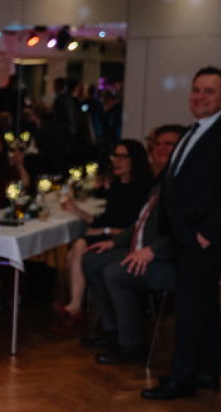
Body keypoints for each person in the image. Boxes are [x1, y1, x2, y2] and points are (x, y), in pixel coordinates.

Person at [143, 66, 221, 400]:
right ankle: (205, 370)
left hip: (202, 239)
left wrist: (208, 231)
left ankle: (182, 378)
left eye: (209, 91)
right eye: (196, 90)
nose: (199, 96)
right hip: (182, 236)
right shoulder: (194, 130)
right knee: (204, 306)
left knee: (190, 308)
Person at [80, 129, 182, 364]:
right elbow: (140, 222)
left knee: (115, 272)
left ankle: (131, 344)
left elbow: (182, 232)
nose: (161, 149)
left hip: (168, 260)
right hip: (143, 248)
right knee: (92, 259)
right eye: (158, 144)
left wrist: (153, 250)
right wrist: (113, 242)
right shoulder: (162, 178)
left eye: (169, 144)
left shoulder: (181, 182)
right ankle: (112, 330)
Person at [53, 139, 152, 329]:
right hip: (111, 234)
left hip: (126, 240)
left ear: (134, 160)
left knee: (79, 246)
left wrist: (104, 230)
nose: (116, 161)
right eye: (115, 156)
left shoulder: (142, 189)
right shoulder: (117, 186)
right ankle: (77, 306)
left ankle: (76, 306)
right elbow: (103, 220)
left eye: (122, 157)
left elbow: (135, 228)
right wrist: (76, 211)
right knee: (74, 251)